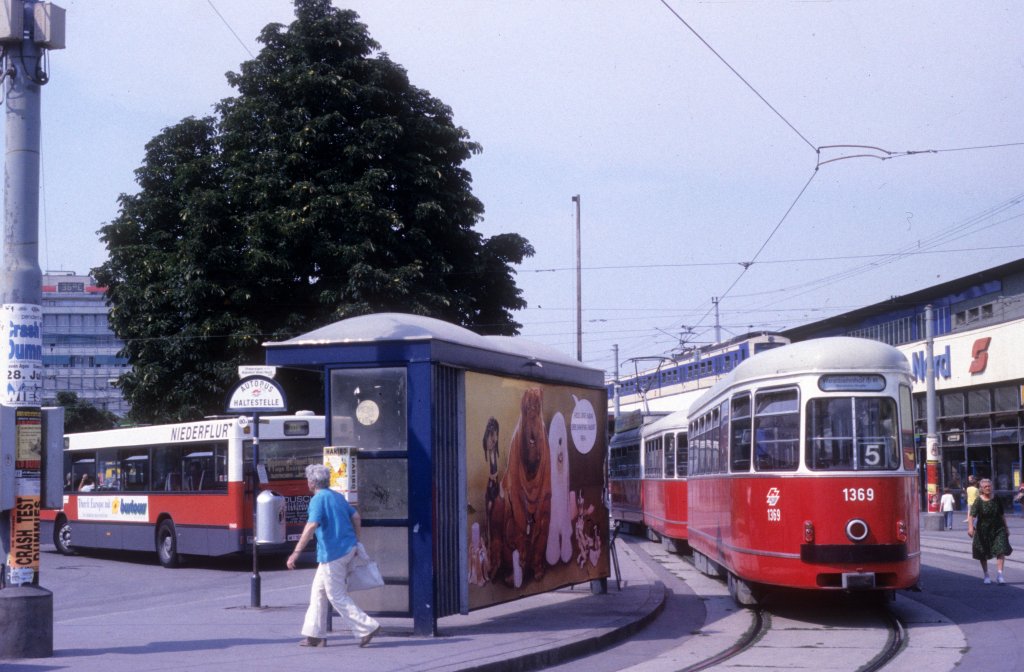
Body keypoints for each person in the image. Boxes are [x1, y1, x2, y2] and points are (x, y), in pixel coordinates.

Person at [287, 464, 381, 647]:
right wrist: (356, 541)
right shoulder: (337, 497)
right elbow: (356, 518)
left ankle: (367, 626)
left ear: (312, 483)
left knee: (336, 595)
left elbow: (311, 526)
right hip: (347, 549)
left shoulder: (318, 500)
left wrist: (295, 553)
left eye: (308, 480)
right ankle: (315, 635)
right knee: (318, 592)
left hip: (332, 554)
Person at [967, 478, 1012, 585]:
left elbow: (1002, 514)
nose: (988, 488)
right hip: (983, 530)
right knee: (983, 552)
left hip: (998, 528)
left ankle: (1000, 575)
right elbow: (972, 515)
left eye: (989, 486)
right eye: (985, 486)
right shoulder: (978, 500)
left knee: (1001, 549)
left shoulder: (996, 498)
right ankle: (986, 575)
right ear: (981, 489)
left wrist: (1006, 528)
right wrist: (970, 528)